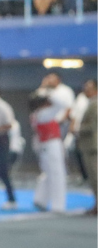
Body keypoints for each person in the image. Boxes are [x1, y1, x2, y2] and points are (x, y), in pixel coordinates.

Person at [32, 73, 74, 213]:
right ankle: (48, 202)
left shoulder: (62, 93)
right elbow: (61, 103)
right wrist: (46, 90)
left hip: (51, 138)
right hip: (45, 139)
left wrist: (46, 91)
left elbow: (65, 106)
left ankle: (51, 202)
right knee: (51, 171)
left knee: (53, 172)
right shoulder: (44, 103)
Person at [79, 79, 97, 214]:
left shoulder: (94, 104)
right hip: (90, 145)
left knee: (95, 176)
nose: (85, 89)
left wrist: (78, 129)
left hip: (92, 146)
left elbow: (92, 126)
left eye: (88, 87)